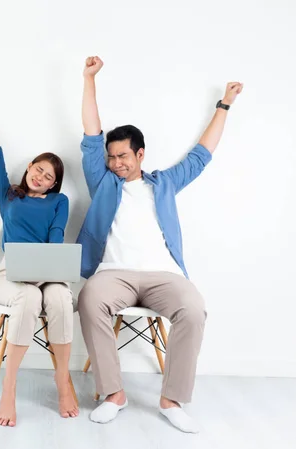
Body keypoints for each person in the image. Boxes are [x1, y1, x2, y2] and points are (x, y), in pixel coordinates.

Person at [76, 56, 243, 433]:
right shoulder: (103, 182)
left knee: (194, 308)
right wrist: (88, 80)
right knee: (90, 299)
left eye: (123, 156)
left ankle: (172, 400)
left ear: (140, 154)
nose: (116, 163)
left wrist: (225, 104)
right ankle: (113, 394)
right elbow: (90, 134)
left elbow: (202, 155)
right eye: (111, 156)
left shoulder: (164, 184)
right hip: (113, 273)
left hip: (163, 275)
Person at [0, 91, 78, 427]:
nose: (40, 177)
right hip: (10, 275)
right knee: (27, 295)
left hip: (47, 272)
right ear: (29, 167)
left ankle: (62, 380)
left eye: (48, 177)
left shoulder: (59, 202)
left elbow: (56, 236)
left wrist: (51, 268)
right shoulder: (8, 193)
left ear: (54, 185)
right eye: (38, 169)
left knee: (58, 297)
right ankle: (8, 389)